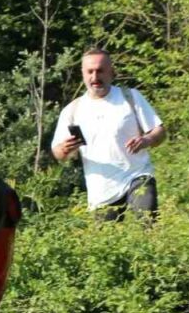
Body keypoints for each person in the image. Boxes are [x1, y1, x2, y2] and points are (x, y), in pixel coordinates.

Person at [51, 48, 166, 220]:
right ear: (82, 73)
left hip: (137, 175)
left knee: (147, 222)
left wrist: (146, 140)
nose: (95, 77)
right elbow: (57, 152)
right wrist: (65, 149)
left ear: (111, 72)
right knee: (106, 243)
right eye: (90, 71)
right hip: (101, 189)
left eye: (100, 71)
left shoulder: (130, 97)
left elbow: (160, 131)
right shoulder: (73, 110)